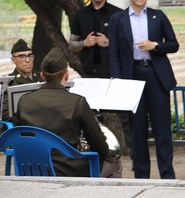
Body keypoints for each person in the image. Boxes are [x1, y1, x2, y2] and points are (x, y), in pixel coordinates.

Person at [12, 48, 122, 178]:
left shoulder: (24, 101)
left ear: (42, 75)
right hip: (70, 171)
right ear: (66, 75)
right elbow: (99, 145)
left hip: (32, 169)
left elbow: (17, 136)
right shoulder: (78, 102)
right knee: (115, 163)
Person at [109, 0, 178, 179]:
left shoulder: (158, 15)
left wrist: (155, 46)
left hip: (156, 76)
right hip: (132, 76)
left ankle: (167, 176)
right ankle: (141, 177)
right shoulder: (118, 19)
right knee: (137, 131)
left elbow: (173, 44)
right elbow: (113, 53)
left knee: (162, 130)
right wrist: (119, 81)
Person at [68, 0, 133, 159]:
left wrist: (108, 42)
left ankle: (132, 154)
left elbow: (128, 44)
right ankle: (95, 154)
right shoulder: (81, 15)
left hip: (113, 72)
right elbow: (71, 45)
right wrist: (84, 43)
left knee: (124, 116)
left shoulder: (117, 14)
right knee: (90, 117)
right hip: (90, 73)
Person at [0, 39, 36, 121]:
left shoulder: (42, 77)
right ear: (13, 59)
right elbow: (5, 113)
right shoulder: (7, 82)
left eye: (30, 55)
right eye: (22, 56)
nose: (27, 60)